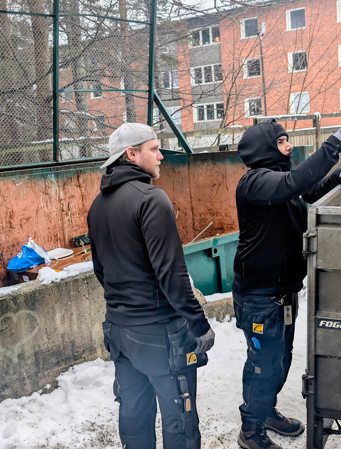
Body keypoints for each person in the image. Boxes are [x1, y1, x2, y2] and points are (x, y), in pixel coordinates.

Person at [232, 118, 341, 449]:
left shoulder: (278, 180)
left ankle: (264, 411)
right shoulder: (254, 183)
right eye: (282, 141)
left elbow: (304, 190)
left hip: (282, 293)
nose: (289, 146)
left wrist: (340, 175)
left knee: (278, 361)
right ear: (266, 148)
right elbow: (294, 183)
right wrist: (333, 144)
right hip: (260, 297)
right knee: (263, 365)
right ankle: (250, 432)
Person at [87, 122, 216, 449]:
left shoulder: (97, 206)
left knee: (134, 413)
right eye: (154, 149)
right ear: (131, 154)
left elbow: (100, 271)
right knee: (180, 418)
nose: (161, 156)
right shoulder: (151, 199)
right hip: (159, 333)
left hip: (119, 330)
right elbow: (171, 274)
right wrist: (199, 325)